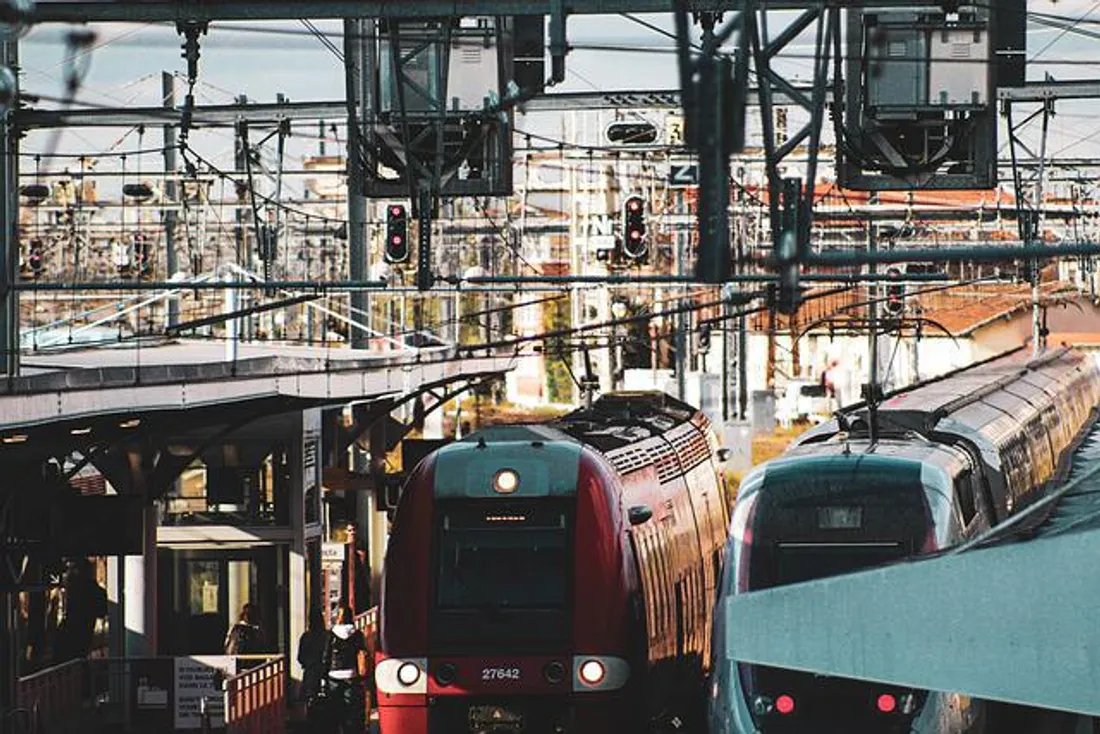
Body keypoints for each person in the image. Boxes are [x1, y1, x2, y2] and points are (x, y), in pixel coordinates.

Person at [322, 605, 367, 734]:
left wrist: (323, 677)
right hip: (351, 675)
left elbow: (326, 657)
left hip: (333, 675)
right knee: (351, 710)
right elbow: (362, 653)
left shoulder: (331, 634)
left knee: (334, 708)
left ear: (338, 617)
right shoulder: (357, 634)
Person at [297, 610, 328, 727]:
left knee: (311, 700)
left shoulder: (306, 637)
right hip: (325, 672)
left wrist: (307, 663)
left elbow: (300, 657)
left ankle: (312, 723)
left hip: (310, 672)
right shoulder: (327, 636)